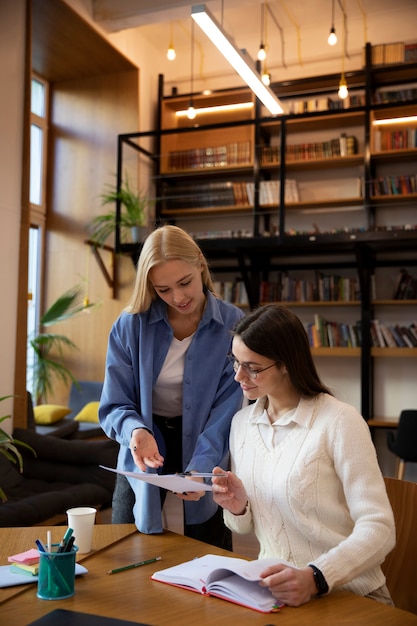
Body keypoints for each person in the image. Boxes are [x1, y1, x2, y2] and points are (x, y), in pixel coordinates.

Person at [211, 304, 395, 606]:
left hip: (350, 596)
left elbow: (380, 528)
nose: (238, 377)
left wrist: (315, 578)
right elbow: (244, 529)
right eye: (236, 363)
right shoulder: (242, 423)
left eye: (253, 367)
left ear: (286, 364)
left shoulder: (339, 421)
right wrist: (238, 507)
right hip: (276, 595)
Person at [99, 224, 244, 549]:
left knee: (211, 553)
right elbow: (114, 403)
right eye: (163, 290)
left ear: (201, 268)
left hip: (206, 441)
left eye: (185, 283)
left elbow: (226, 413)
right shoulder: (129, 325)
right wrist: (136, 433)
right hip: (144, 443)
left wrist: (203, 467)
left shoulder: (233, 325)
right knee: (124, 546)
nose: (178, 298)